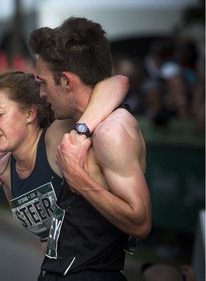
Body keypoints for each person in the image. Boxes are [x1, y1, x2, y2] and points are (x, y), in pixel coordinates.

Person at [28, 17, 151, 280]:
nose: (41, 93)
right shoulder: (81, 123)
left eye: (44, 83)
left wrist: (79, 179)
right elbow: (118, 81)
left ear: (66, 81)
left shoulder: (112, 132)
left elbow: (140, 221)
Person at [0, 70, 129, 253]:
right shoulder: (5, 170)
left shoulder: (56, 137)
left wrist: (80, 131)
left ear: (29, 114)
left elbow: (117, 82)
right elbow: (47, 238)